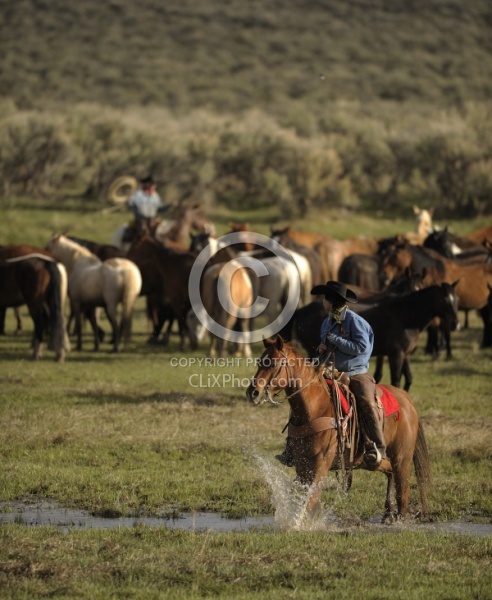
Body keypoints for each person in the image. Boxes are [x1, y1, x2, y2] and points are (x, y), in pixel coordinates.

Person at [276, 280, 386, 470]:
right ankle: (291, 448)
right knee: (301, 395)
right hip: (329, 370)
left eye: (324, 298)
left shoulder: (355, 321)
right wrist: (322, 349)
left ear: (332, 301)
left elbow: (362, 347)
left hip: (355, 372)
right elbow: (328, 346)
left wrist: (335, 339)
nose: (322, 302)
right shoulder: (327, 322)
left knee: (366, 401)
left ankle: (377, 446)